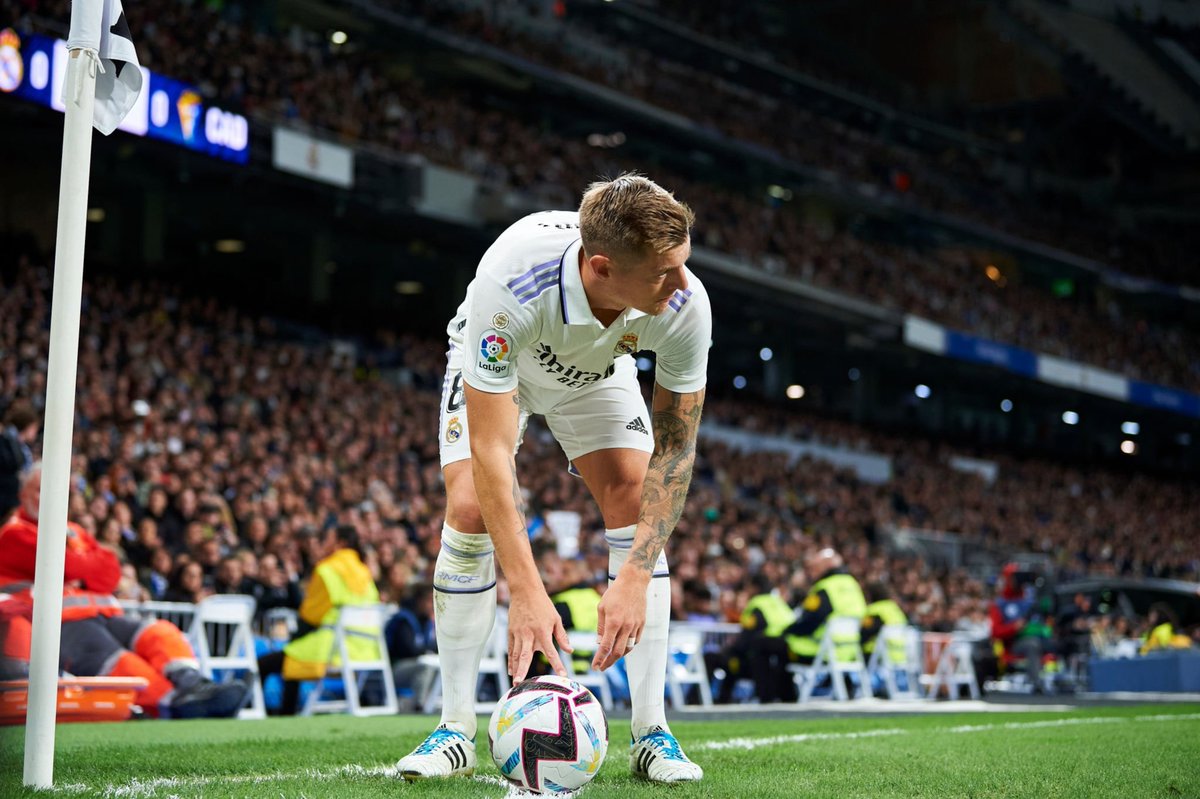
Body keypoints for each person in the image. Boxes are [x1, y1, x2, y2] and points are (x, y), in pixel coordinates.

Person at [397, 174, 709, 783]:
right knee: (465, 508)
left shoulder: (683, 305)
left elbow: (675, 452)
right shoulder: (509, 282)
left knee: (631, 489)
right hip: (506, 367)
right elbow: (491, 450)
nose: (682, 285)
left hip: (596, 375)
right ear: (601, 267)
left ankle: (653, 733)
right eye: (663, 273)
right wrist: (527, 592)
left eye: (683, 265)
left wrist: (635, 573)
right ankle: (455, 727)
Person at [0, 465, 249, 718]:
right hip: (58, 624)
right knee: (123, 662)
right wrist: (85, 565)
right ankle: (176, 703)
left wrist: (83, 568)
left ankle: (194, 684)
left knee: (160, 633)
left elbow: (110, 572)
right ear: (22, 494)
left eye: (56, 490)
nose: (49, 497)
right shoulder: (13, 532)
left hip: (103, 614)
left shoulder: (74, 530)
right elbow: (63, 564)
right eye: (40, 490)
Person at [257, 525, 381, 714]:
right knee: (294, 652)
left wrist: (294, 638)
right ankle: (286, 711)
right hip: (366, 649)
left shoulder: (327, 569)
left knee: (270, 661)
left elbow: (309, 616)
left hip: (333, 649)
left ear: (340, 543)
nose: (323, 543)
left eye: (327, 539)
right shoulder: (365, 572)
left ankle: (275, 713)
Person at [783, 548, 867, 665]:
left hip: (821, 652)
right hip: (850, 651)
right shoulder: (853, 584)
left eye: (815, 567)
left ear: (825, 566)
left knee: (766, 645)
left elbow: (809, 621)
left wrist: (787, 630)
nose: (812, 572)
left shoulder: (825, 587)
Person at [0, 401, 39, 519]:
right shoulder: (6, 440)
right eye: (34, 428)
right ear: (27, 426)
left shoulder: (21, 446)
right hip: (6, 500)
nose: (35, 433)